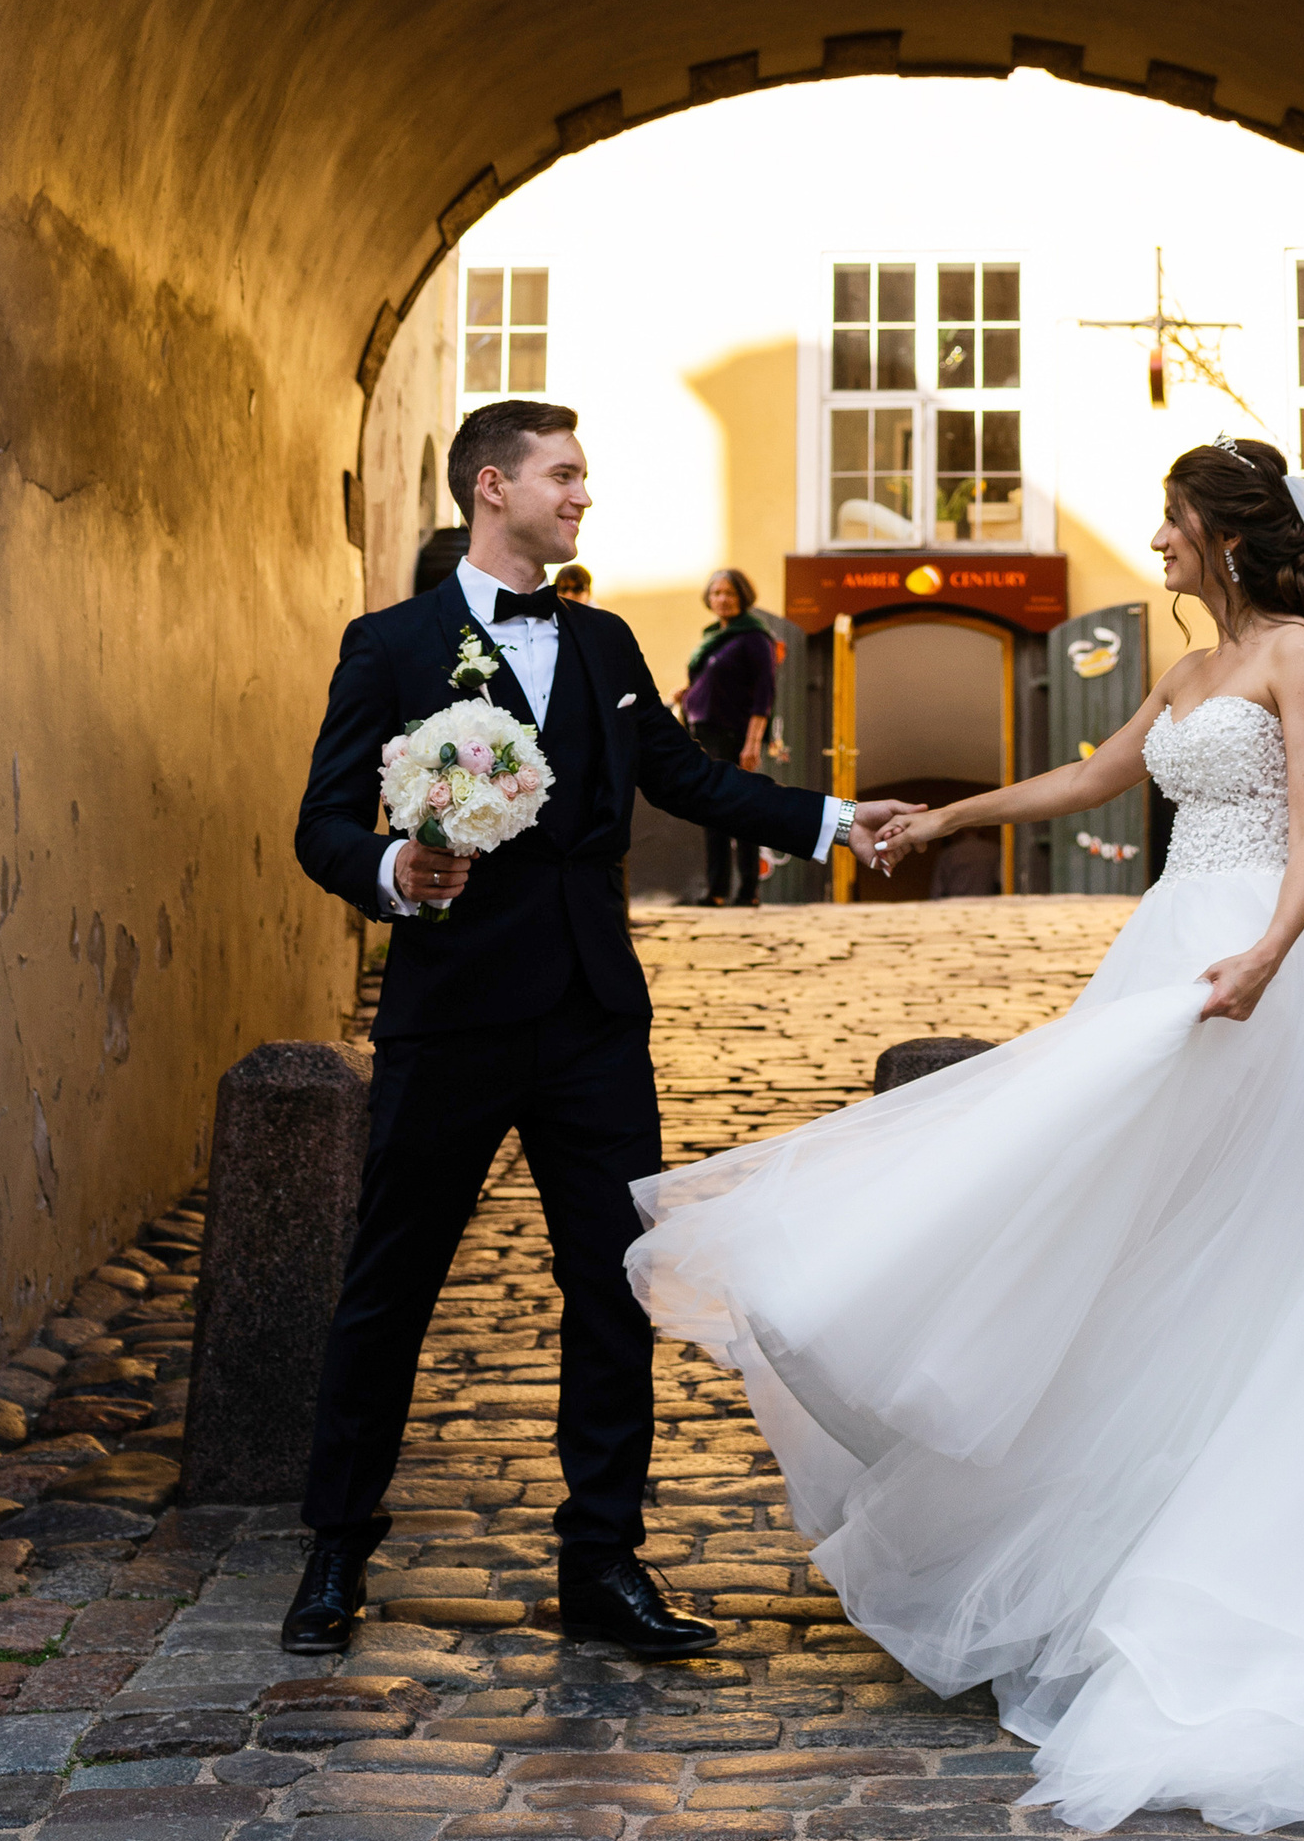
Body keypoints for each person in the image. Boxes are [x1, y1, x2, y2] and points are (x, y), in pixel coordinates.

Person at [623, 437, 1304, 1833]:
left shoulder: (1300, 658)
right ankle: (1125, 1550)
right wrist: (940, 818)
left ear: (1230, 537)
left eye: (1174, 520)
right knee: (1136, 1236)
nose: (1157, 540)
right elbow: (1090, 782)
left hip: (1254, 971)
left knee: (1272, 1260)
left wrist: (1265, 952)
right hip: (1166, 949)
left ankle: (1278, 1591)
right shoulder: (1190, 669)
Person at [281, 399, 918, 1664]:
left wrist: (835, 819)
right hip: (451, 1014)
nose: (582, 494)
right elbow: (323, 821)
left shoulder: (606, 638)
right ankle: (336, 1545)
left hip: (590, 1017)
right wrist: (396, 867)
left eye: (582, 476)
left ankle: (603, 1560)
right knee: (389, 1286)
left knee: (613, 1289)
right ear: (491, 485)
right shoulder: (391, 643)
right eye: (563, 474)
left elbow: (687, 776)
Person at [672, 568, 775, 907]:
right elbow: (714, 680)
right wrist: (689, 693)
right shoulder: (712, 635)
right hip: (704, 732)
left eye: (730, 593)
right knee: (711, 808)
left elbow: (764, 694)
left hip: (734, 735)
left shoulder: (754, 637)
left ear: (743, 596)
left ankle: (747, 890)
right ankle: (717, 891)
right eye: (716, 593)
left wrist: (752, 743)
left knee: (740, 808)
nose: (722, 599)